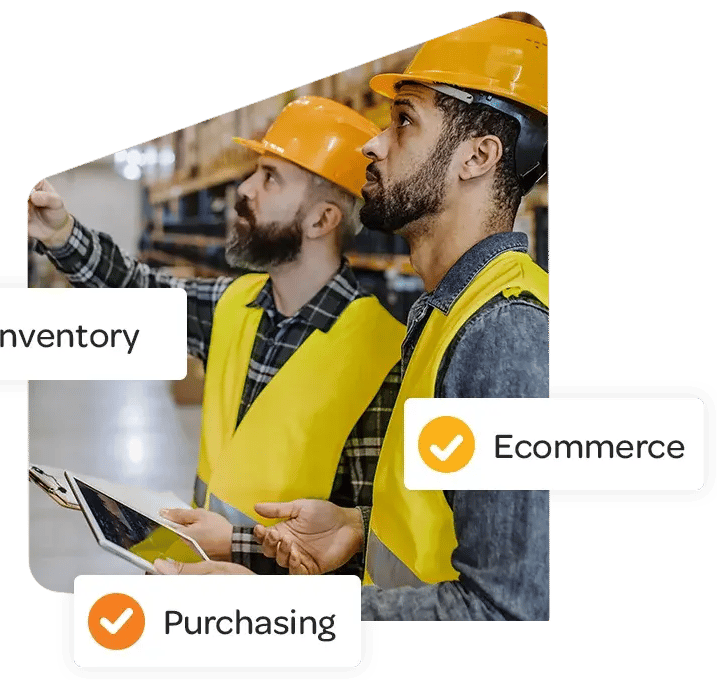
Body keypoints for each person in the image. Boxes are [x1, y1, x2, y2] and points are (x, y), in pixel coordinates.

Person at [157, 17, 551, 622]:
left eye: (405, 121)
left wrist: (271, 612)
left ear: (478, 155)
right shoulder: (447, 314)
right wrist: (355, 525)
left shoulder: (503, 334)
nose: (372, 143)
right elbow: (445, 532)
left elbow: (506, 611)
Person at [27, 97, 404, 575]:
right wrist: (60, 234)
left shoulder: (383, 356)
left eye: (271, 177)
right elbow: (133, 288)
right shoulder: (233, 303)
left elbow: (367, 542)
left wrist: (233, 545)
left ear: (322, 220)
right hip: (201, 582)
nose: (245, 189)